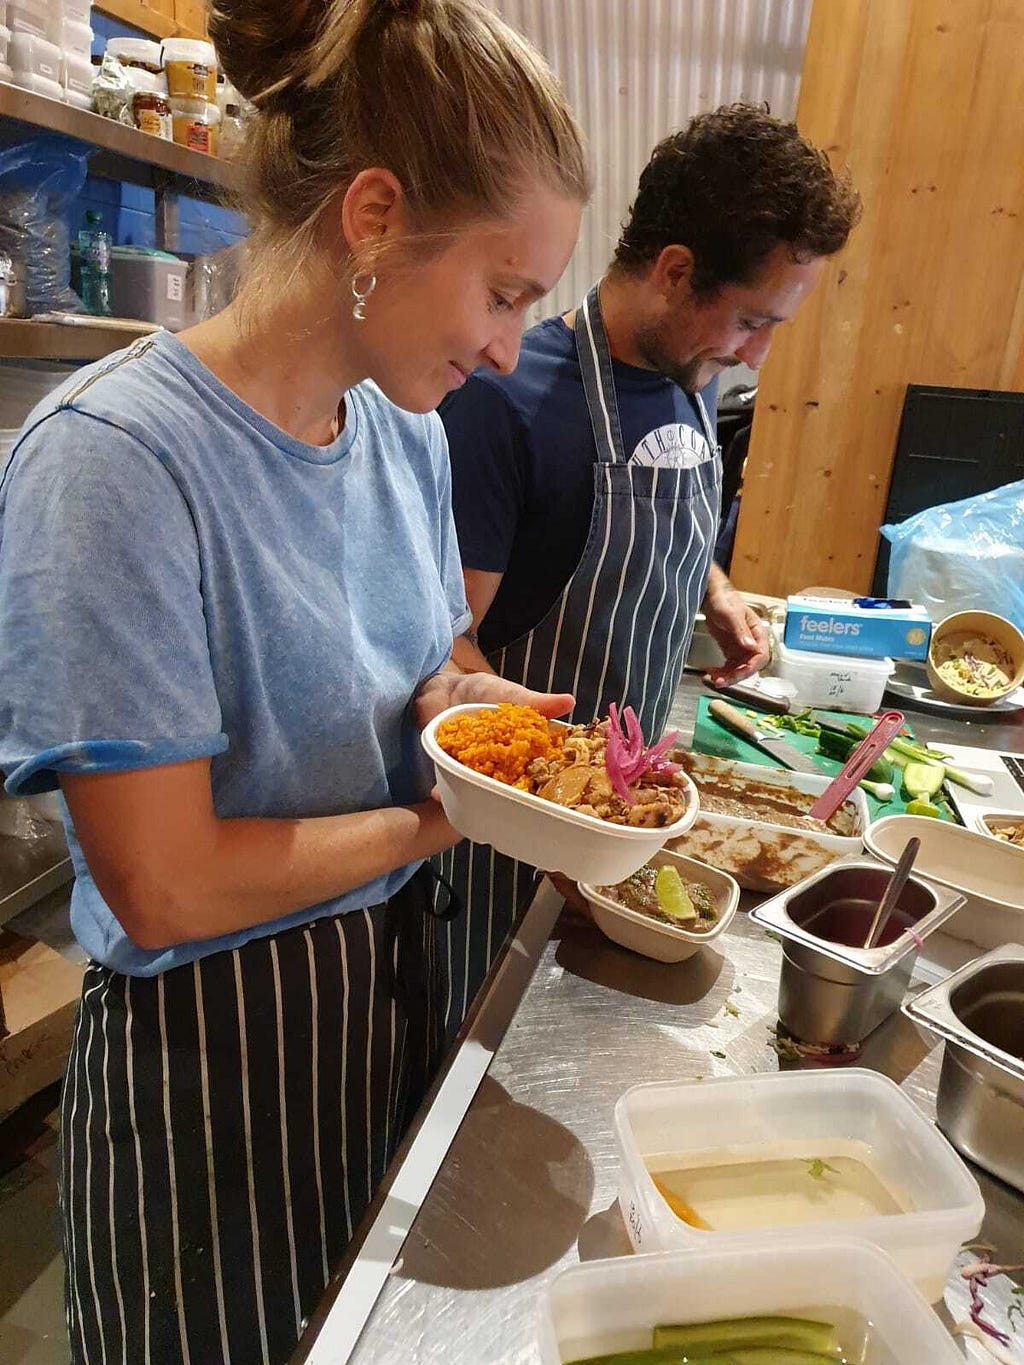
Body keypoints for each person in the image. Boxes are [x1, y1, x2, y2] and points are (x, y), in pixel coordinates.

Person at [0, 2, 589, 1361]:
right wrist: (452, 817)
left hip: (385, 1011)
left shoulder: (401, 434)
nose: (509, 348)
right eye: (501, 293)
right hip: (211, 1076)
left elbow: (430, 655)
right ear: (374, 216)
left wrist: (466, 714)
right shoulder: (116, 465)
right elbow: (170, 883)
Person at [435, 104, 861, 1022]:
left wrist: (712, 589)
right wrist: (563, 806)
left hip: (628, 831)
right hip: (516, 860)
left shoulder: (690, 379)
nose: (758, 352)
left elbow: (667, 514)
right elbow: (445, 646)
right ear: (675, 271)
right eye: (751, 318)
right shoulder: (508, 405)